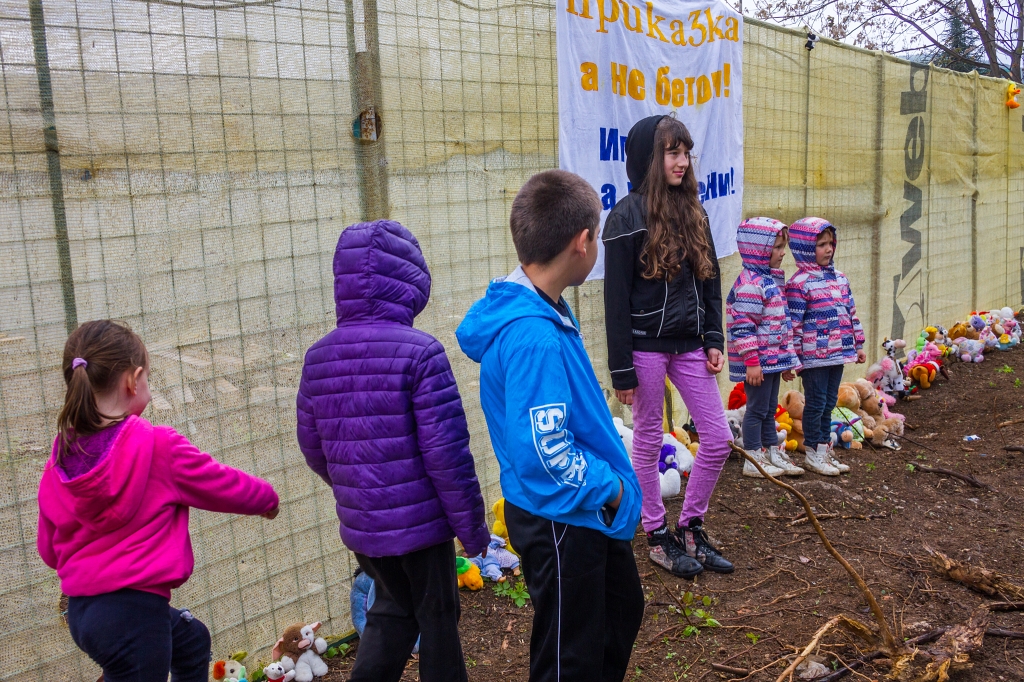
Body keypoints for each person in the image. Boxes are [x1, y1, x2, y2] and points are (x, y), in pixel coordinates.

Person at [456, 169, 644, 682]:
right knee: (568, 656)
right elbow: (545, 451)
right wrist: (609, 489)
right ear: (583, 242)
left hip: (575, 506)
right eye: (597, 236)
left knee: (620, 609)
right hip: (561, 514)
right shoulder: (533, 337)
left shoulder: (547, 307)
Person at [297, 219, 490, 682]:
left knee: (392, 610)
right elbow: (447, 455)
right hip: (422, 529)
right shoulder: (421, 353)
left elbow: (312, 446)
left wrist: (356, 491)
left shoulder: (318, 357)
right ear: (410, 282)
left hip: (365, 526)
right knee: (437, 618)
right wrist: (473, 530)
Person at [37, 320, 280, 682]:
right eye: (148, 378)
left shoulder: (59, 462)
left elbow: (49, 551)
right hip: (134, 614)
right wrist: (267, 499)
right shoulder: (157, 447)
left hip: (83, 612)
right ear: (134, 380)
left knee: (191, 641)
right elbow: (220, 483)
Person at [603, 114, 734, 579]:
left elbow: (711, 280)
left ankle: (691, 527)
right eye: (672, 152)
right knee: (646, 440)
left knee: (718, 439)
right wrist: (621, 370)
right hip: (644, 348)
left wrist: (713, 337)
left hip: (691, 345)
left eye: (686, 152)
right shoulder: (625, 216)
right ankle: (657, 533)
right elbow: (615, 301)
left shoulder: (695, 211)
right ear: (649, 157)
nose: (682, 161)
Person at [785, 217, 866, 476]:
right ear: (805, 248)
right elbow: (794, 324)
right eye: (821, 245)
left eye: (830, 243)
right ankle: (813, 452)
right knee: (816, 402)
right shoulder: (799, 284)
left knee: (830, 402)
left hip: (838, 353)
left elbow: (851, 313)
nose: (828, 249)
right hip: (813, 357)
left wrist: (858, 343)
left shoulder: (840, 278)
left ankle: (824, 449)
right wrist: (793, 357)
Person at [725, 217, 803, 478]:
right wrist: (752, 362)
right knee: (756, 410)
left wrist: (786, 362)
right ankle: (753, 458)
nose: (782, 253)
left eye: (783, 247)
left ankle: (771, 451)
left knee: (769, 410)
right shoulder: (751, 284)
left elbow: (781, 325)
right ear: (758, 249)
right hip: (758, 363)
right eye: (777, 247)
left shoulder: (770, 281)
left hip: (771, 362)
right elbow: (743, 327)